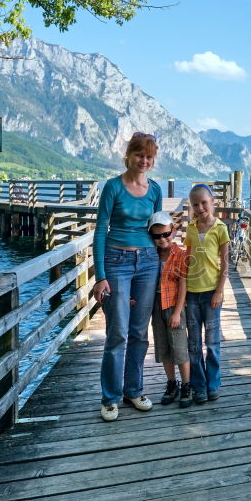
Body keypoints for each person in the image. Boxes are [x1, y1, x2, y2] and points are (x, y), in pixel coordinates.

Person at [92, 132, 163, 422]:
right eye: (139, 155)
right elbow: (100, 231)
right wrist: (100, 276)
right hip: (116, 261)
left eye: (149, 157)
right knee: (117, 331)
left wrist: (168, 265)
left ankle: (133, 390)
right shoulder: (112, 187)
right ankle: (110, 397)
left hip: (147, 262)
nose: (144, 161)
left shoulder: (155, 190)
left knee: (138, 332)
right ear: (128, 156)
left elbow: (159, 231)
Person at [184, 183, 230, 404]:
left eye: (203, 202)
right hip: (192, 293)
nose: (200, 207)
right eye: (195, 204)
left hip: (211, 291)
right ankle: (199, 385)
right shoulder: (191, 229)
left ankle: (213, 384)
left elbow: (225, 264)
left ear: (213, 202)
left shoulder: (221, 228)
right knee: (194, 343)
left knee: (212, 343)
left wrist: (219, 291)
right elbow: (188, 260)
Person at [146, 211, 193, 408]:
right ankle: (171, 383)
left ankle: (186, 384)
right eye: (157, 236)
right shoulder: (150, 255)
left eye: (166, 234)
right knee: (163, 347)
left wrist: (177, 312)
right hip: (156, 305)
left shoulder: (180, 255)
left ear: (173, 231)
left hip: (174, 305)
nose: (162, 239)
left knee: (180, 346)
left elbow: (183, 284)